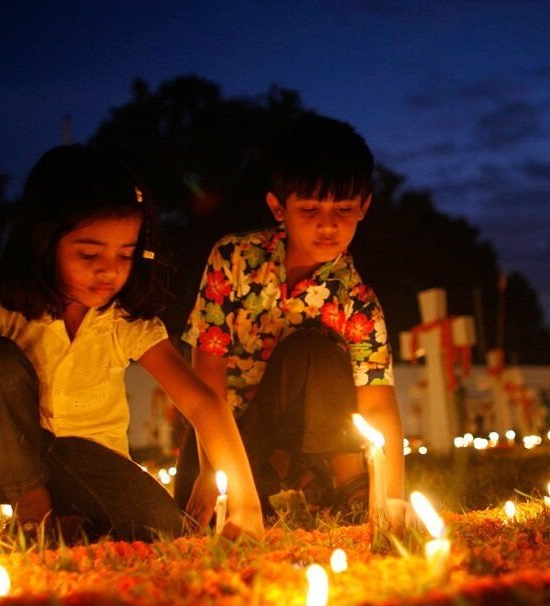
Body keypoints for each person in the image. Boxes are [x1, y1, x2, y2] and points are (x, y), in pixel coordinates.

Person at [0, 145, 263, 544]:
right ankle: (33, 510)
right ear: (44, 242)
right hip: (9, 462)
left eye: (125, 255)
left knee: (162, 532)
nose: (109, 270)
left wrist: (245, 507)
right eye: (89, 253)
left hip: (96, 469)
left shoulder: (124, 324)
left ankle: (73, 525)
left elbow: (202, 402)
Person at [174, 114, 405, 526]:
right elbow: (207, 371)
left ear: (364, 206)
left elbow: (378, 404)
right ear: (278, 206)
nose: (328, 224)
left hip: (303, 447)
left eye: (344, 208)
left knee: (315, 352)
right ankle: (263, 492)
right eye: (310, 208)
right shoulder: (234, 261)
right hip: (224, 439)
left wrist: (392, 503)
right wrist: (211, 471)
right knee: (209, 526)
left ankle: (346, 486)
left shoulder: (357, 302)